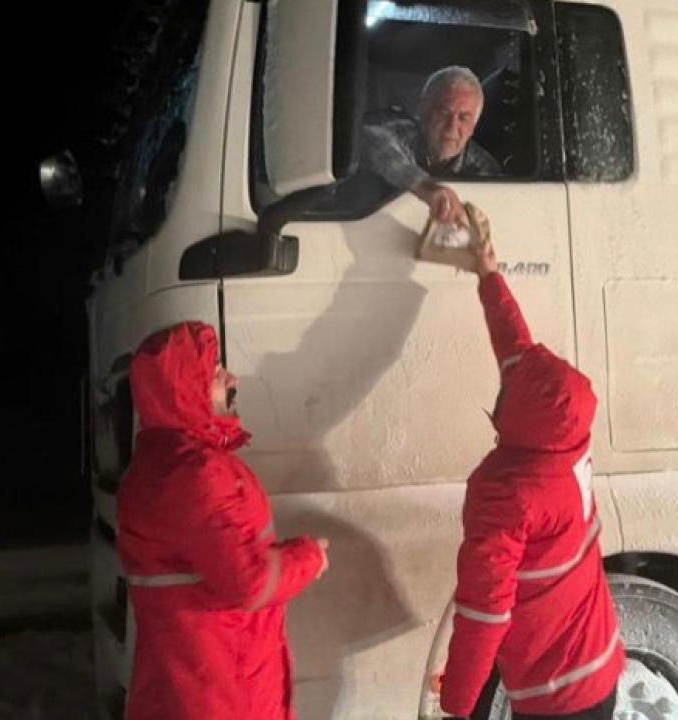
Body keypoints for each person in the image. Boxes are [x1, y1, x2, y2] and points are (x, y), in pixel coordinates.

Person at [439, 239, 624, 720]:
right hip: (601, 666)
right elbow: (515, 347)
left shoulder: (506, 496)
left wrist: (456, 705)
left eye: (508, 385)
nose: (503, 379)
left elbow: (485, 612)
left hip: (556, 698)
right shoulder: (566, 439)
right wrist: (488, 275)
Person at [116, 321, 330, 720]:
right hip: (223, 693)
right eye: (215, 373)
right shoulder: (196, 474)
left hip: (183, 689)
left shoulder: (153, 466)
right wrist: (309, 557)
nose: (231, 379)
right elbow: (249, 582)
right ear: (184, 389)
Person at [362, 66, 502, 228]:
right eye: (444, 113)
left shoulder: (485, 170)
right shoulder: (402, 131)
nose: (451, 127)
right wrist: (424, 186)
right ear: (423, 111)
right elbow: (367, 137)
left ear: (473, 128)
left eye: (463, 118)